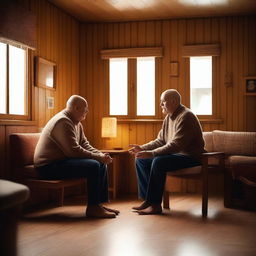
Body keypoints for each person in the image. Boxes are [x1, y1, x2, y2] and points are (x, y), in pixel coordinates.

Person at [34, 95, 119, 218]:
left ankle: (98, 204)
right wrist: (98, 158)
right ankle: (93, 208)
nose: (87, 111)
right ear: (76, 108)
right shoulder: (62, 122)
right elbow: (73, 151)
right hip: (47, 167)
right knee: (94, 165)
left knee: (101, 164)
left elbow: (85, 145)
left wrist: (101, 156)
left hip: (61, 162)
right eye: (85, 108)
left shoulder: (76, 122)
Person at [129, 89, 205, 215]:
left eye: (163, 102)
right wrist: (143, 148)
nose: (161, 105)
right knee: (141, 159)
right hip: (177, 155)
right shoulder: (168, 118)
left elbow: (176, 145)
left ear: (174, 102)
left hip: (191, 157)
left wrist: (152, 153)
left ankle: (155, 205)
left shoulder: (186, 116)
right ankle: (148, 200)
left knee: (159, 161)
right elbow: (160, 141)